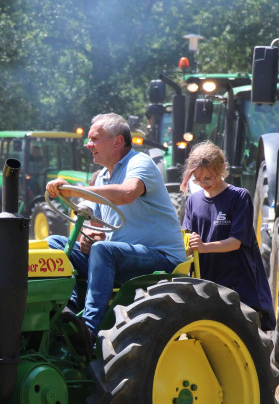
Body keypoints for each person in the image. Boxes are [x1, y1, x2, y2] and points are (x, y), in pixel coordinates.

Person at [45, 113, 185, 336]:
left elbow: (127, 194)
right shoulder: (102, 177)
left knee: (104, 250)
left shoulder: (140, 162)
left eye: (95, 139)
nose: (88, 145)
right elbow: (96, 224)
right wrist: (89, 234)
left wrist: (73, 190)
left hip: (161, 257)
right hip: (120, 257)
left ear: (117, 141)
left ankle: (89, 331)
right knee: (55, 244)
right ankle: (68, 311)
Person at [181, 142, 275, 330]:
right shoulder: (193, 201)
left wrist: (203, 247)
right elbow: (187, 237)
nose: (202, 184)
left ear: (222, 169)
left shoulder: (239, 197)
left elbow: (235, 242)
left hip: (236, 281)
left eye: (207, 178)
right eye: (197, 180)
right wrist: (188, 245)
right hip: (206, 279)